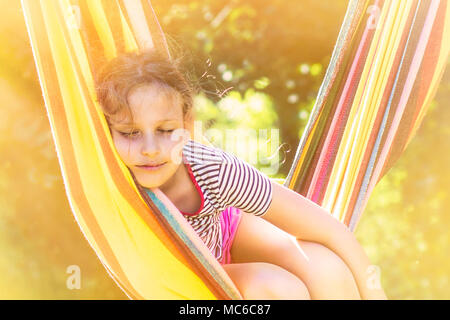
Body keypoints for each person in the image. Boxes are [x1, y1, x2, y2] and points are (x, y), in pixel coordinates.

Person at [95, 50, 387, 300]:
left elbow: (329, 229)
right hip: (182, 280)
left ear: (187, 124)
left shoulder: (212, 169)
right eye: (130, 133)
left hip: (226, 234)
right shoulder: (110, 179)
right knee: (278, 290)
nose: (150, 150)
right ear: (107, 134)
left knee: (328, 270)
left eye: (165, 131)